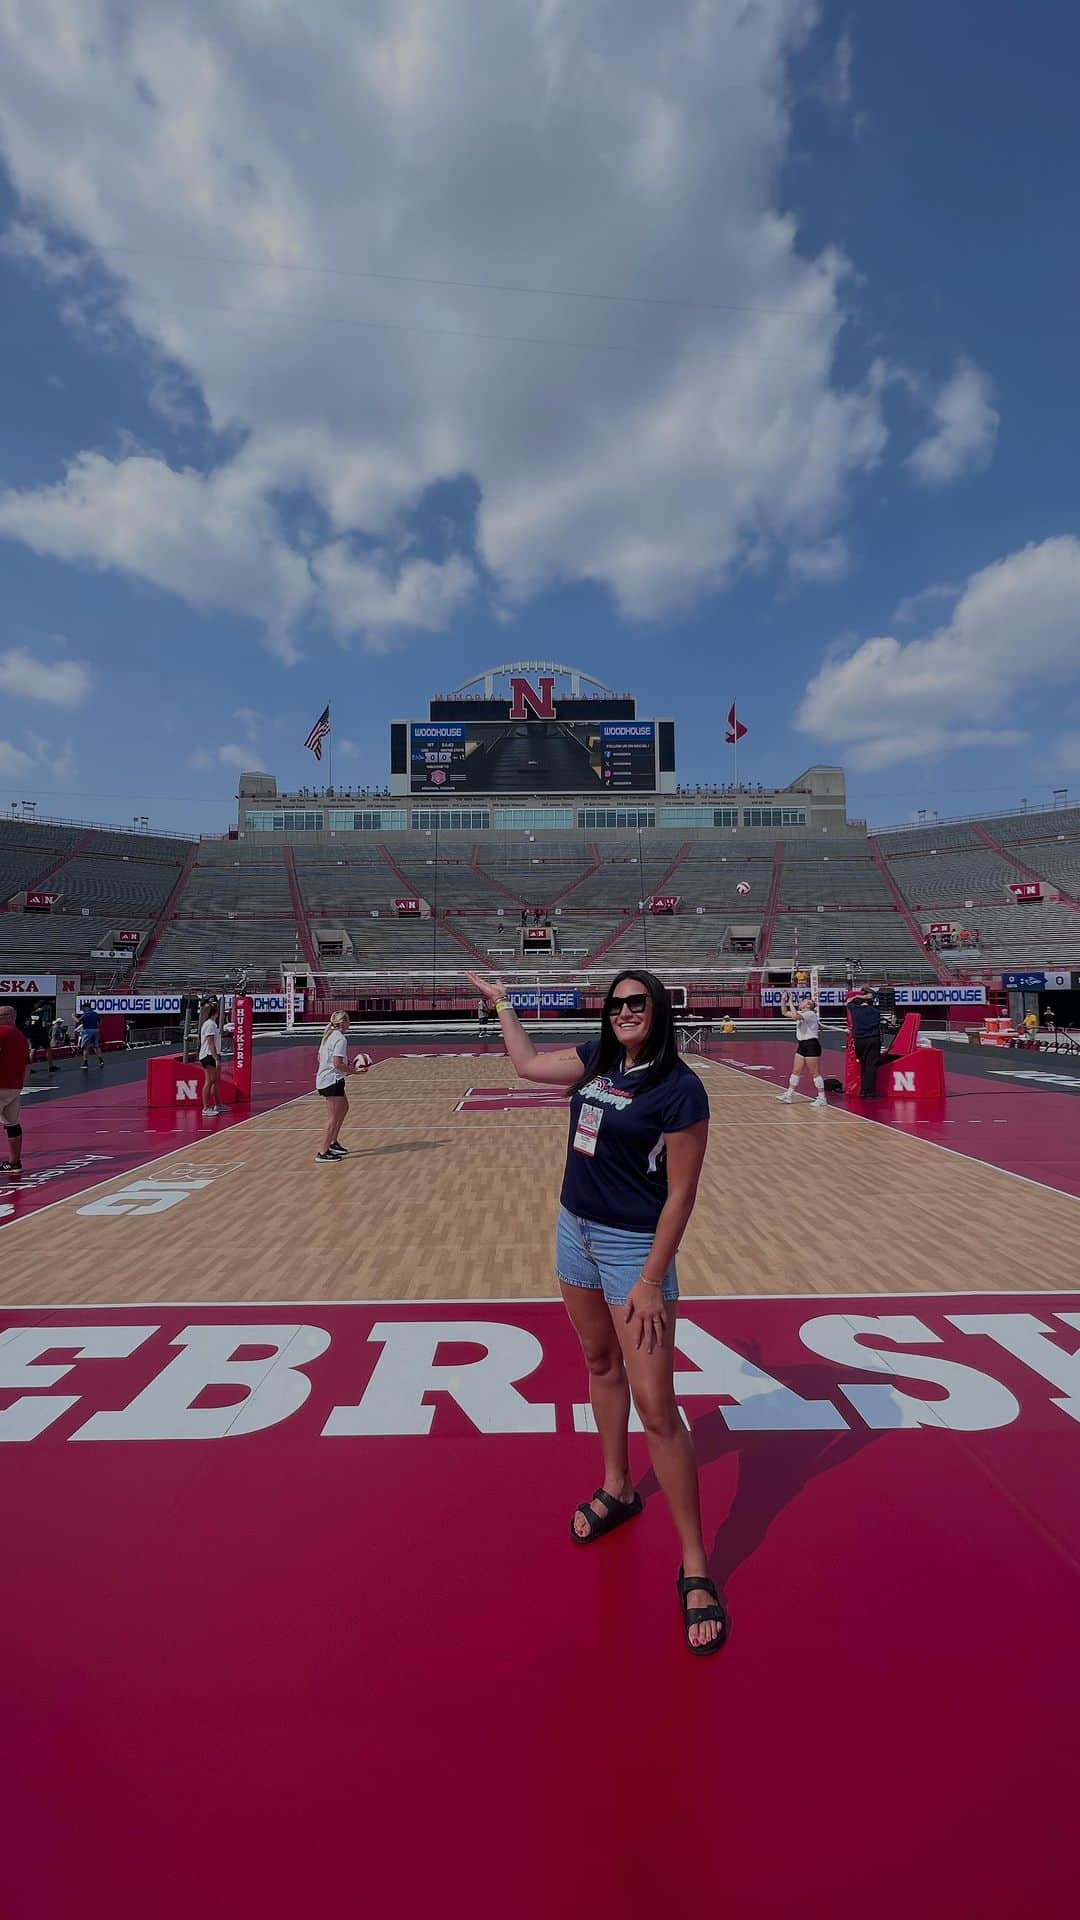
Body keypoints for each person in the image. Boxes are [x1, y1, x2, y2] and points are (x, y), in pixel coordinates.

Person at [465, 965, 728, 1656]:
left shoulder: (679, 1089)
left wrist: (649, 1279)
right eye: (615, 1005)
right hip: (574, 1230)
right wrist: (504, 1006)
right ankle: (618, 1488)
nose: (625, 1013)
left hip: (631, 1248)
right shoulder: (594, 1061)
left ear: (659, 1010)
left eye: (637, 1004)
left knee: (657, 1406)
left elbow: (681, 1195)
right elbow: (523, 1064)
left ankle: (696, 1562)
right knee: (598, 1361)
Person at [314, 1011, 370, 1163]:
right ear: (342, 1022)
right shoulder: (340, 1038)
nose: (350, 1023)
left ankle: (333, 1142)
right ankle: (322, 1152)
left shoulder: (329, 1036)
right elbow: (337, 1064)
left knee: (344, 1107)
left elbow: (321, 1057)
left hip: (332, 1079)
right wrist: (355, 1071)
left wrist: (346, 1064)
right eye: (348, 1020)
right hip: (331, 1081)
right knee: (332, 1118)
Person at [778, 991, 828, 1107]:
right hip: (802, 1044)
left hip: (811, 1045)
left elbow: (795, 1016)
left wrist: (790, 1001)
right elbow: (784, 1012)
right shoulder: (802, 1013)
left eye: (805, 1001)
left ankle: (822, 1098)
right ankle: (789, 1094)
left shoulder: (810, 1014)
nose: (802, 1001)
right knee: (796, 1071)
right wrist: (783, 1000)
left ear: (808, 1005)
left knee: (814, 1072)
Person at [0, 1004, 31, 1174]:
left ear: (7, 1017)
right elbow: (27, 1064)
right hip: (14, 1087)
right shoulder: (21, 1037)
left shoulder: (1, 1033)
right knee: (11, 1124)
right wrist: (20, 1086)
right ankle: (14, 1162)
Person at [848, 987, 882, 1098]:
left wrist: (859, 996)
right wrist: (866, 997)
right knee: (871, 1066)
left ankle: (863, 1090)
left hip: (859, 1040)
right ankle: (869, 1092)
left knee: (863, 1065)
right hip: (872, 1039)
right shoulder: (875, 1011)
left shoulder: (854, 1010)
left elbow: (849, 1001)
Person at [199, 998, 223, 1117]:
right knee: (209, 1081)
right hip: (208, 1055)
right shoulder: (209, 1025)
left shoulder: (213, 1024)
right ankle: (205, 1107)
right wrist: (216, 1058)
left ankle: (217, 1104)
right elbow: (210, 1043)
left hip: (213, 1054)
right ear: (216, 1012)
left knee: (216, 1080)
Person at [78, 1001, 104, 1071]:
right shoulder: (95, 1013)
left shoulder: (85, 1014)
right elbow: (100, 1020)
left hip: (87, 1031)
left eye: (83, 1008)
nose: (82, 1010)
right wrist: (98, 1027)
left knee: (86, 1047)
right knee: (96, 1046)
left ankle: (85, 1063)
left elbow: (78, 1021)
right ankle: (101, 1060)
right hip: (96, 1030)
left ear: (86, 1008)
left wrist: (73, 1016)